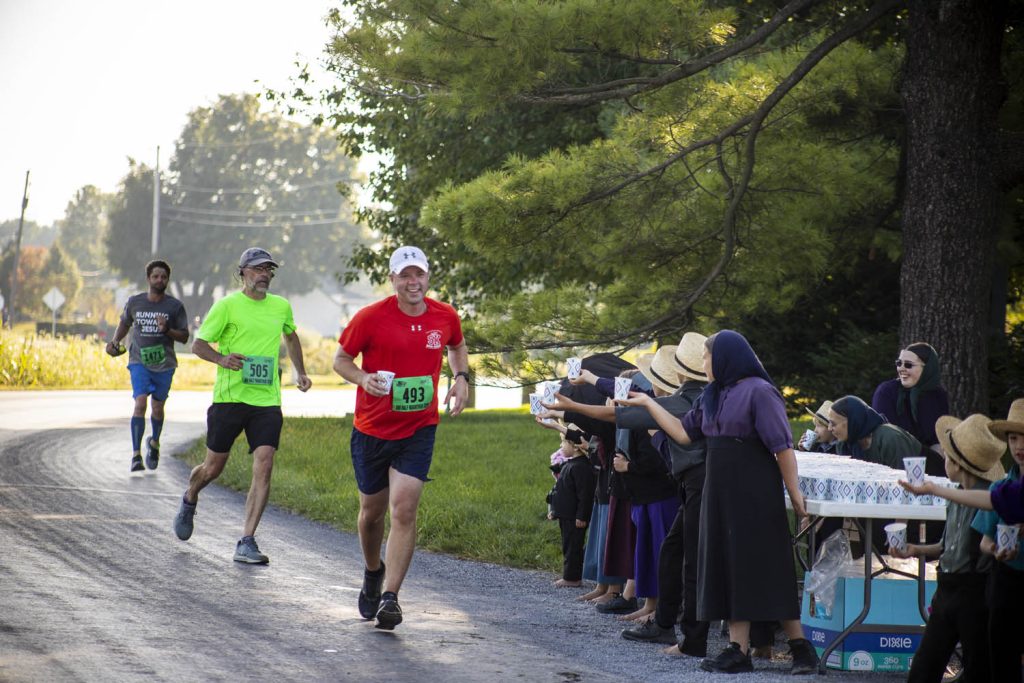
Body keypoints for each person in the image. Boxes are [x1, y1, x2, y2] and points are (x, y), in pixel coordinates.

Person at [617, 330, 819, 675]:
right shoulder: (713, 395)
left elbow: (782, 448)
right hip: (719, 493)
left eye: (708, 357)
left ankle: (802, 650)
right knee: (727, 567)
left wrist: (796, 494)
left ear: (726, 358)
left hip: (754, 493)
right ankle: (737, 649)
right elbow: (683, 432)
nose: (705, 364)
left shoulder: (760, 391)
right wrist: (650, 404)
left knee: (766, 566)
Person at [333, 245, 469, 630]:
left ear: (428, 277)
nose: (413, 282)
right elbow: (340, 360)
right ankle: (373, 570)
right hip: (372, 430)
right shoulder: (370, 317)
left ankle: (391, 597)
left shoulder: (444, 316)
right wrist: (363, 378)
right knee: (371, 515)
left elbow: (457, 345)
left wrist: (461, 379)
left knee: (404, 509)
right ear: (392, 279)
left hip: (418, 428)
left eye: (419, 275)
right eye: (405, 275)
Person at [172, 247, 312, 565]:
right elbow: (198, 344)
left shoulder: (281, 307)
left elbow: (291, 338)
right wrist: (222, 359)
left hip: (266, 401)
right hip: (230, 398)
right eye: (258, 269)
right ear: (243, 272)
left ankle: (246, 540)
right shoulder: (227, 306)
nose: (264, 275)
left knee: (265, 463)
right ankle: (190, 496)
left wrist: (300, 372)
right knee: (213, 468)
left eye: (269, 270)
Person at [888, 414, 1004, 683]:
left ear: (959, 464)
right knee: (924, 667)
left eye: (948, 458)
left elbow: (985, 545)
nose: (944, 462)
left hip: (975, 593)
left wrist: (933, 489)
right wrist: (915, 549)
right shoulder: (955, 493)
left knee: (979, 668)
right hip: (946, 589)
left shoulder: (989, 498)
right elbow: (947, 545)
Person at [619, 334, 712, 657]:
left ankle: (689, 635)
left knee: (689, 558)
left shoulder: (685, 400)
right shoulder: (697, 397)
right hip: (693, 485)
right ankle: (666, 622)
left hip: (697, 486)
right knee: (675, 551)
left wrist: (572, 406)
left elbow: (623, 418)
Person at [105, 260, 189, 472]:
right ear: (148, 279)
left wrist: (167, 330)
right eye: (155, 276)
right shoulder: (135, 302)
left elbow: (185, 336)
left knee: (158, 408)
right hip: (139, 361)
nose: (159, 280)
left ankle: (155, 442)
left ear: (167, 280)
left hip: (165, 364)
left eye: (163, 277)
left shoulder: (174, 307)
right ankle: (135, 455)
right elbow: (125, 323)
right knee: (140, 404)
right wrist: (115, 342)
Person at [970, 398, 1024, 683]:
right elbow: (984, 541)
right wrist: (996, 549)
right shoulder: (1001, 486)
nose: (1019, 446)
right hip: (1006, 579)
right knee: (1002, 659)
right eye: (1013, 438)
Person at [872, 342, 949, 476]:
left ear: (927, 368)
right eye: (899, 363)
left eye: (908, 365)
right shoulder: (887, 392)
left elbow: (940, 435)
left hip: (931, 460)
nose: (901, 369)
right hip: (894, 462)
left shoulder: (938, 395)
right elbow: (887, 436)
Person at [548, 426, 595, 587]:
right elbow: (560, 490)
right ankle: (570, 574)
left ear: (575, 446)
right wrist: (554, 510)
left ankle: (572, 577)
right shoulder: (569, 464)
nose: (561, 447)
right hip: (565, 514)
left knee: (573, 546)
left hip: (574, 517)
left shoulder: (581, 467)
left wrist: (582, 516)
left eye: (563, 443)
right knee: (567, 545)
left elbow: (585, 495)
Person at [826, 395, 921, 469]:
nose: (829, 429)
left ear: (853, 421)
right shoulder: (844, 445)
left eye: (833, 424)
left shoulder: (890, 438)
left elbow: (905, 478)